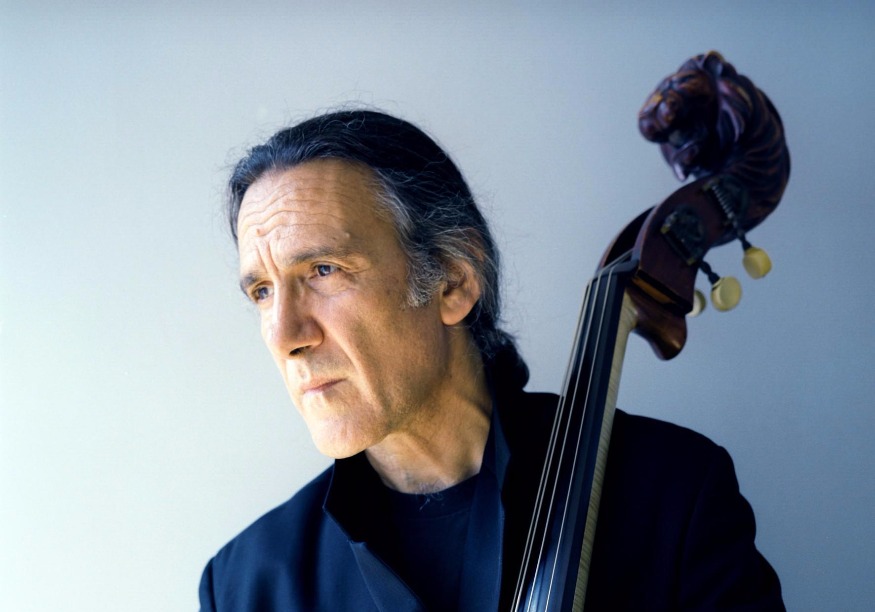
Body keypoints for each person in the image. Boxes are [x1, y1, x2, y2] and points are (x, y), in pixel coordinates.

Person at [199, 109, 784, 611]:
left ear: (454, 281)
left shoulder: (673, 497)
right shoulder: (244, 586)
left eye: (324, 270)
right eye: (262, 291)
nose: (284, 335)